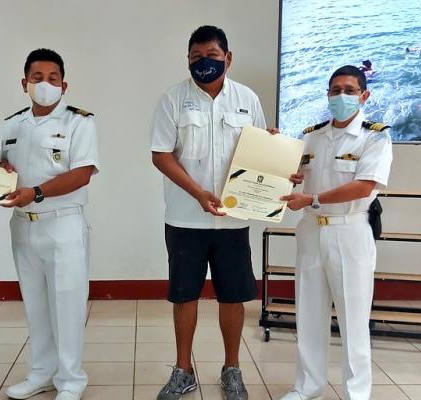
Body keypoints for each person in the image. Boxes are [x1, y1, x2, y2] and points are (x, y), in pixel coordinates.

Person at [150, 25, 274, 400]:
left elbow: (261, 152)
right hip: (185, 217)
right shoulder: (172, 100)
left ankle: (231, 368)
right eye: (196, 58)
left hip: (233, 218)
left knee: (233, 296)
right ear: (188, 60)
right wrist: (198, 192)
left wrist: (280, 168)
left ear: (228, 58)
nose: (204, 64)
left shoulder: (247, 99)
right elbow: (161, 155)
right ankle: (182, 370)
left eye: (212, 57)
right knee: (184, 295)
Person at [279, 65, 393, 400]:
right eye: (335, 90)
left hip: (350, 232)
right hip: (311, 232)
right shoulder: (310, 136)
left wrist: (312, 197)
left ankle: (357, 394)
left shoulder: (375, 136)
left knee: (353, 322)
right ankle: (307, 387)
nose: (341, 96)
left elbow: (364, 186)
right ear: (327, 94)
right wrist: (274, 154)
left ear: (364, 95)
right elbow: (292, 174)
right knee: (309, 316)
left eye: (349, 90)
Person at [0, 48, 99, 400]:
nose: (44, 84)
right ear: (24, 82)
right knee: (35, 303)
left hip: (63, 224)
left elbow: (82, 174)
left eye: (52, 78)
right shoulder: (12, 124)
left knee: (67, 305)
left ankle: (71, 381)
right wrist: (0, 176)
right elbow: (4, 169)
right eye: (37, 78)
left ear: (64, 84)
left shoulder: (79, 121)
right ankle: (41, 372)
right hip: (22, 225)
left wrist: (37, 192)